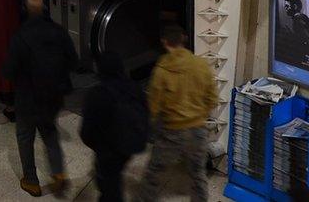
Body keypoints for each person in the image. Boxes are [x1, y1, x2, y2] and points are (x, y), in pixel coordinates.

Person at [3, 0, 78, 197]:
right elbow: (74, 61)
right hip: (53, 95)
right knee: (50, 132)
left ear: (25, 11)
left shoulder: (20, 36)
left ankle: (31, 181)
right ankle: (59, 173)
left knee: (25, 137)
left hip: (27, 97)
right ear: (45, 9)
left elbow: (9, 71)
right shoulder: (59, 32)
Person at [138, 24, 217, 202]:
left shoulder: (161, 70)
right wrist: (199, 115)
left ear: (164, 42)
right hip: (197, 130)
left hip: (171, 131)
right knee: (197, 174)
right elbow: (212, 98)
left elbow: (153, 106)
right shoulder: (201, 65)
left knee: (154, 172)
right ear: (184, 39)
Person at [80, 52, 147, 202]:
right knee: (114, 176)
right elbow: (146, 114)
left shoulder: (97, 94)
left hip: (108, 150)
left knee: (109, 185)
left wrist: (98, 147)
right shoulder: (134, 87)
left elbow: (86, 132)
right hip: (130, 145)